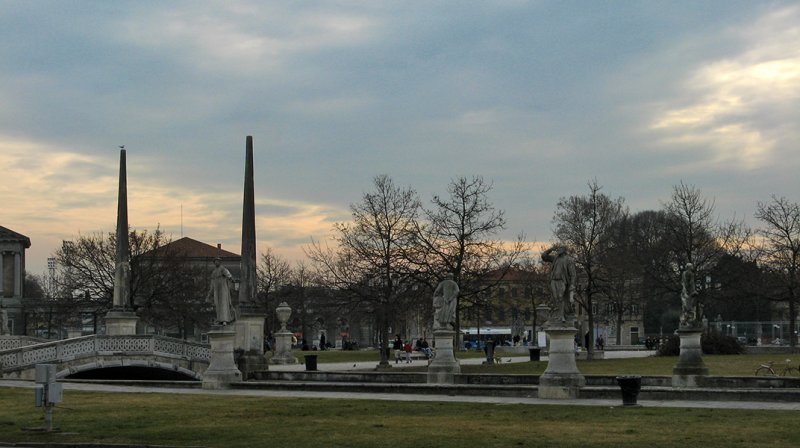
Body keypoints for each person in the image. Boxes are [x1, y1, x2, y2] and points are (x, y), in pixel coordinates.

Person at [541, 246, 577, 323]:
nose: (558, 250)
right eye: (557, 249)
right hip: (553, 280)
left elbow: (573, 274)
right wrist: (550, 249)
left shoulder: (568, 259)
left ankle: (562, 316)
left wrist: (572, 284)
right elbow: (544, 256)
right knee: (556, 298)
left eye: (560, 249)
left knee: (561, 297)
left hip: (562, 281)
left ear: (564, 250)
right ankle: (558, 315)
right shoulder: (555, 258)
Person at [207, 258, 235, 324]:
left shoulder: (223, 269)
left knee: (223, 303)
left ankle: (225, 319)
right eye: (215, 261)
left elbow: (228, 275)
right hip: (216, 289)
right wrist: (209, 294)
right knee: (217, 304)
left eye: (217, 261)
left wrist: (231, 279)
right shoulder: (213, 272)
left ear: (220, 262)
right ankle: (219, 319)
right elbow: (212, 283)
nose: (216, 262)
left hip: (223, 288)